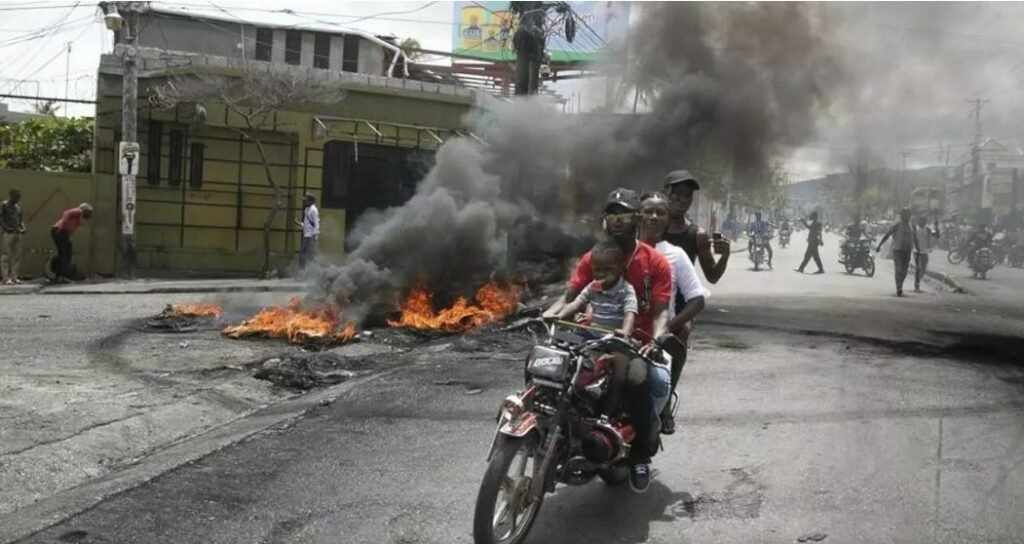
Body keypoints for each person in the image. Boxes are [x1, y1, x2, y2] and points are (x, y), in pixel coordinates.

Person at [544, 187, 672, 493]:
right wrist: (547, 315)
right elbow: (571, 296)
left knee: (639, 380)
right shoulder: (594, 257)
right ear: (605, 221)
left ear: (636, 219)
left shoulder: (654, 262)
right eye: (612, 215)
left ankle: (640, 454)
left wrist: (655, 340)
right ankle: (556, 433)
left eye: (624, 215)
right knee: (552, 367)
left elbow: (660, 312)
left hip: (633, 341)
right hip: (593, 335)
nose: (618, 221)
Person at [638, 191, 708, 436]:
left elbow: (698, 299)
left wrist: (667, 327)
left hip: (658, 328)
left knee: (682, 333)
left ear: (668, 219)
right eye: (648, 211)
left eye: (661, 213)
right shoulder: (621, 250)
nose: (654, 217)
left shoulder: (679, 251)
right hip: (622, 327)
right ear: (638, 216)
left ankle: (665, 404)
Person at [554, 240, 638, 416]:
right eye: (597, 270)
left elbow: (630, 312)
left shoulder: (626, 290)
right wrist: (559, 316)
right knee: (562, 353)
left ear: (620, 270)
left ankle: (607, 414)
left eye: (608, 270)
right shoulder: (592, 287)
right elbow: (576, 304)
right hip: (591, 337)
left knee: (620, 373)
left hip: (615, 340)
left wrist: (625, 331)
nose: (601, 275)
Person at [661, 170, 731, 283]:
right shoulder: (650, 227)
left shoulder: (699, 235)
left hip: (682, 300)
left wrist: (725, 256)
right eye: (678, 193)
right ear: (665, 194)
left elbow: (712, 277)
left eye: (688, 195)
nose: (683, 200)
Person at [876, 207, 919, 296]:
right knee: (899, 269)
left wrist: (918, 249)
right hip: (898, 251)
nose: (906, 217)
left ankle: (900, 284)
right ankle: (899, 287)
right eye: (904, 215)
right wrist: (879, 245)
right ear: (901, 216)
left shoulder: (912, 226)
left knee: (904, 271)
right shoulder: (897, 225)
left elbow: (915, 238)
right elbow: (887, 234)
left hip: (907, 251)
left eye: (908, 215)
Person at [51, 203, 93, 283]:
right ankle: (64, 276)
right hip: (60, 231)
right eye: (89, 212)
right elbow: (67, 213)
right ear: (85, 210)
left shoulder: (78, 216)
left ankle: (59, 276)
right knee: (66, 254)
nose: (90, 215)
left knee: (63, 253)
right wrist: (62, 227)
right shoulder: (79, 211)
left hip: (60, 232)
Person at [1, 188, 26, 285]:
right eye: (16, 197)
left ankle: (14, 277)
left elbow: (20, 220)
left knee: (17, 255)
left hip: (18, 232)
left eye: (18, 197)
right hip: (8, 232)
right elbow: (1, 218)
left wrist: (23, 228)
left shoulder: (18, 206)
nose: (17, 199)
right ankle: (5, 278)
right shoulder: (4, 205)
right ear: (11, 196)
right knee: (6, 255)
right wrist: (6, 228)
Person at [913, 214, 941, 292]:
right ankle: (917, 284)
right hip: (916, 251)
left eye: (924, 221)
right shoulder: (914, 228)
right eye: (921, 220)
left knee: (923, 268)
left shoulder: (928, 229)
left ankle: (919, 280)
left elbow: (937, 235)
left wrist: (936, 226)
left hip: (925, 251)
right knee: (918, 268)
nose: (922, 222)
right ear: (918, 221)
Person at [296, 192, 319, 269]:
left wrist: (314, 236)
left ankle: (310, 270)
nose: (304, 202)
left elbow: (316, 224)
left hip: (310, 235)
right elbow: (308, 225)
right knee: (303, 253)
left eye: (306, 200)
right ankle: (303, 270)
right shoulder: (307, 209)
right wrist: (300, 224)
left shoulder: (313, 210)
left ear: (311, 201)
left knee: (309, 254)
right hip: (306, 234)